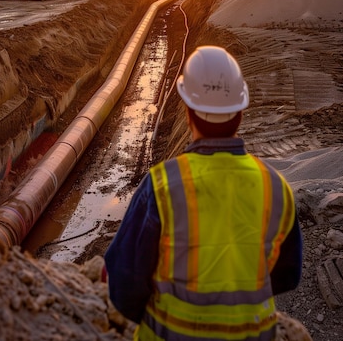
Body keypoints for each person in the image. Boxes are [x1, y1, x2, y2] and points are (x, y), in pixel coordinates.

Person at [105, 45, 304, 341]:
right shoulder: (275, 187)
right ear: (240, 110)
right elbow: (287, 274)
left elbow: (124, 282)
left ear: (187, 112)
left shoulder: (161, 185)